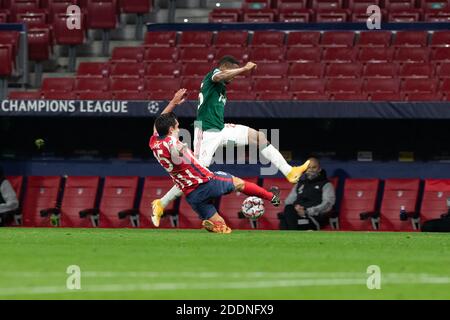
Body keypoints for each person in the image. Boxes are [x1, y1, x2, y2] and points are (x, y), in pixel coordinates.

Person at [152, 56, 310, 221]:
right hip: (206, 133)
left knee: (259, 137)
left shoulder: (220, 87)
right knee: (194, 174)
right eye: (232, 72)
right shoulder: (212, 76)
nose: (234, 78)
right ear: (224, 68)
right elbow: (219, 75)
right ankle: (161, 203)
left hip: (221, 128)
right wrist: (243, 69)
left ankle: (289, 171)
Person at [149, 89, 281, 234]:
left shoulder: (154, 141)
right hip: (206, 182)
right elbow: (174, 149)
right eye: (177, 126)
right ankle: (272, 197)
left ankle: (215, 226)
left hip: (191, 195)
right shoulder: (172, 142)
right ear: (170, 129)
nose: (179, 129)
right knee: (239, 183)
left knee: (223, 227)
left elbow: (159, 120)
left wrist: (173, 102)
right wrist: (179, 150)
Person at [279, 158, 335, 231]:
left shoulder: (326, 185)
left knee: (287, 224)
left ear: (319, 169)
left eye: (314, 167)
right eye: (308, 167)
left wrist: (306, 211)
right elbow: (288, 201)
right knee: (288, 209)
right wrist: (297, 209)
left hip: (312, 218)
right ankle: (292, 237)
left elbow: (328, 205)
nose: (311, 170)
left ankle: (292, 236)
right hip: (297, 216)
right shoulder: (300, 184)